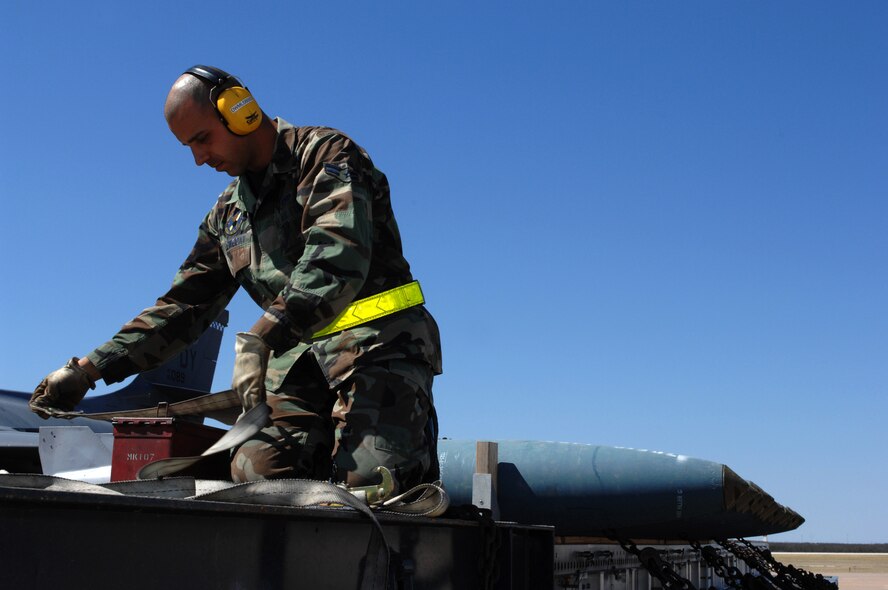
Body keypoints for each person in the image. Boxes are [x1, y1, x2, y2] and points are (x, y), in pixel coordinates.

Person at [29, 65, 442, 490]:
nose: (198, 158)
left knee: (371, 482)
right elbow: (182, 307)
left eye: (202, 138)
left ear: (239, 111)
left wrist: (262, 336)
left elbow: (335, 261)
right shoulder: (227, 216)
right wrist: (89, 369)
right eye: (188, 147)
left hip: (379, 345)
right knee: (256, 473)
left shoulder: (325, 155)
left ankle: (408, 452)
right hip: (299, 367)